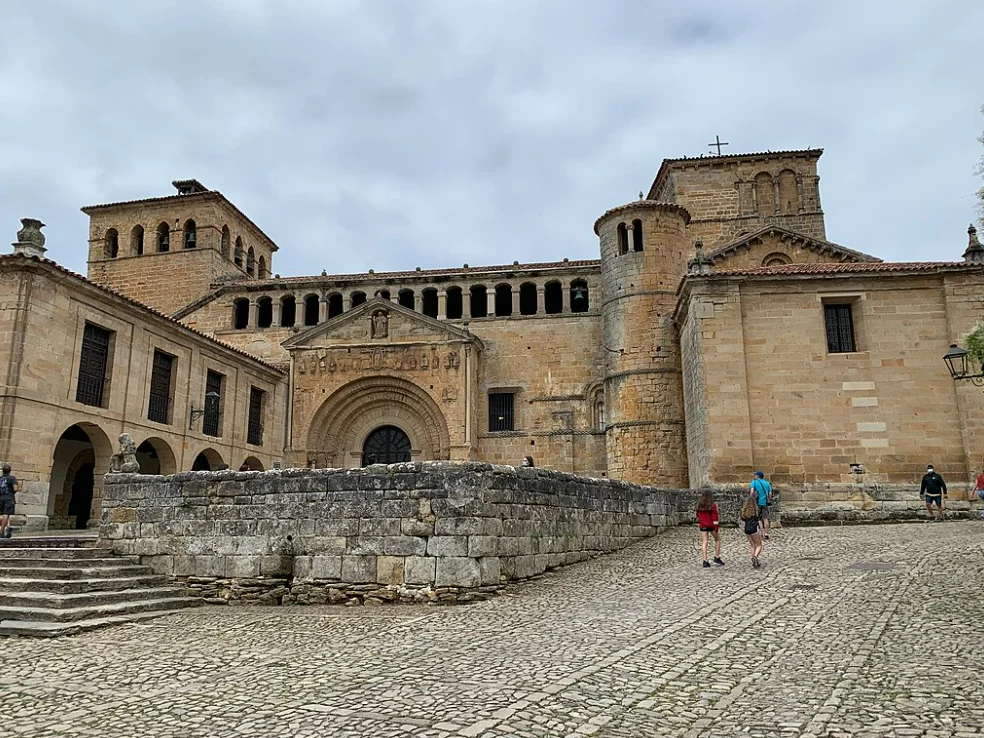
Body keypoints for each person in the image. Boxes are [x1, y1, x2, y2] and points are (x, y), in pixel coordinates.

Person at [695, 489, 724, 568]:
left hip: (703, 525)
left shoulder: (699, 505)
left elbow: (698, 515)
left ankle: (705, 560)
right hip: (711, 525)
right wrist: (716, 527)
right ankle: (717, 557)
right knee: (717, 540)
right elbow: (715, 517)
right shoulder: (712, 505)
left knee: (705, 542)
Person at [739, 493, 764, 569]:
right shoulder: (756, 511)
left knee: (752, 545)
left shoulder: (744, 512)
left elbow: (742, 522)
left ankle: (754, 559)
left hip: (747, 529)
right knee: (759, 545)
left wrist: (743, 529)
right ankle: (755, 557)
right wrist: (762, 531)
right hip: (754, 529)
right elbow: (759, 522)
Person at [750, 470, 773, 540]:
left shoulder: (754, 482)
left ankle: (762, 533)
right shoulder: (767, 483)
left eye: (755, 475)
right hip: (765, 503)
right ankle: (766, 533)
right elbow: (770, 494)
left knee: (759, 519)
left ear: (757, 476)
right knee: (765, 518)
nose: (754, 476)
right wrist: (768, 499)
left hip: (757, 503)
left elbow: (751, 492)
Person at [0, 463, 19, 539]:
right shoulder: (12, 478)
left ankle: (8, 527)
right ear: (10, 471)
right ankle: (1, 532)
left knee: (4, 514)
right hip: (9, 498)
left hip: (1, 498)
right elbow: (15, 488)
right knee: (6, 514)